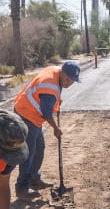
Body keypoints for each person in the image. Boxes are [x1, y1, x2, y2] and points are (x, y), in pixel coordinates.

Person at [12, 60, 81, 198]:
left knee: (39, 147)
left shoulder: (56, 72)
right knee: (29, 152)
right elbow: (46, 112)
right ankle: (22, 188)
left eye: (72, 81)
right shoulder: (50, 87)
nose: (68, 83)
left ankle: (34, 179)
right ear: (62, 73)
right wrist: (56, 128)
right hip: (26, 114)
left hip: (32, 114)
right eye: (67, 79)